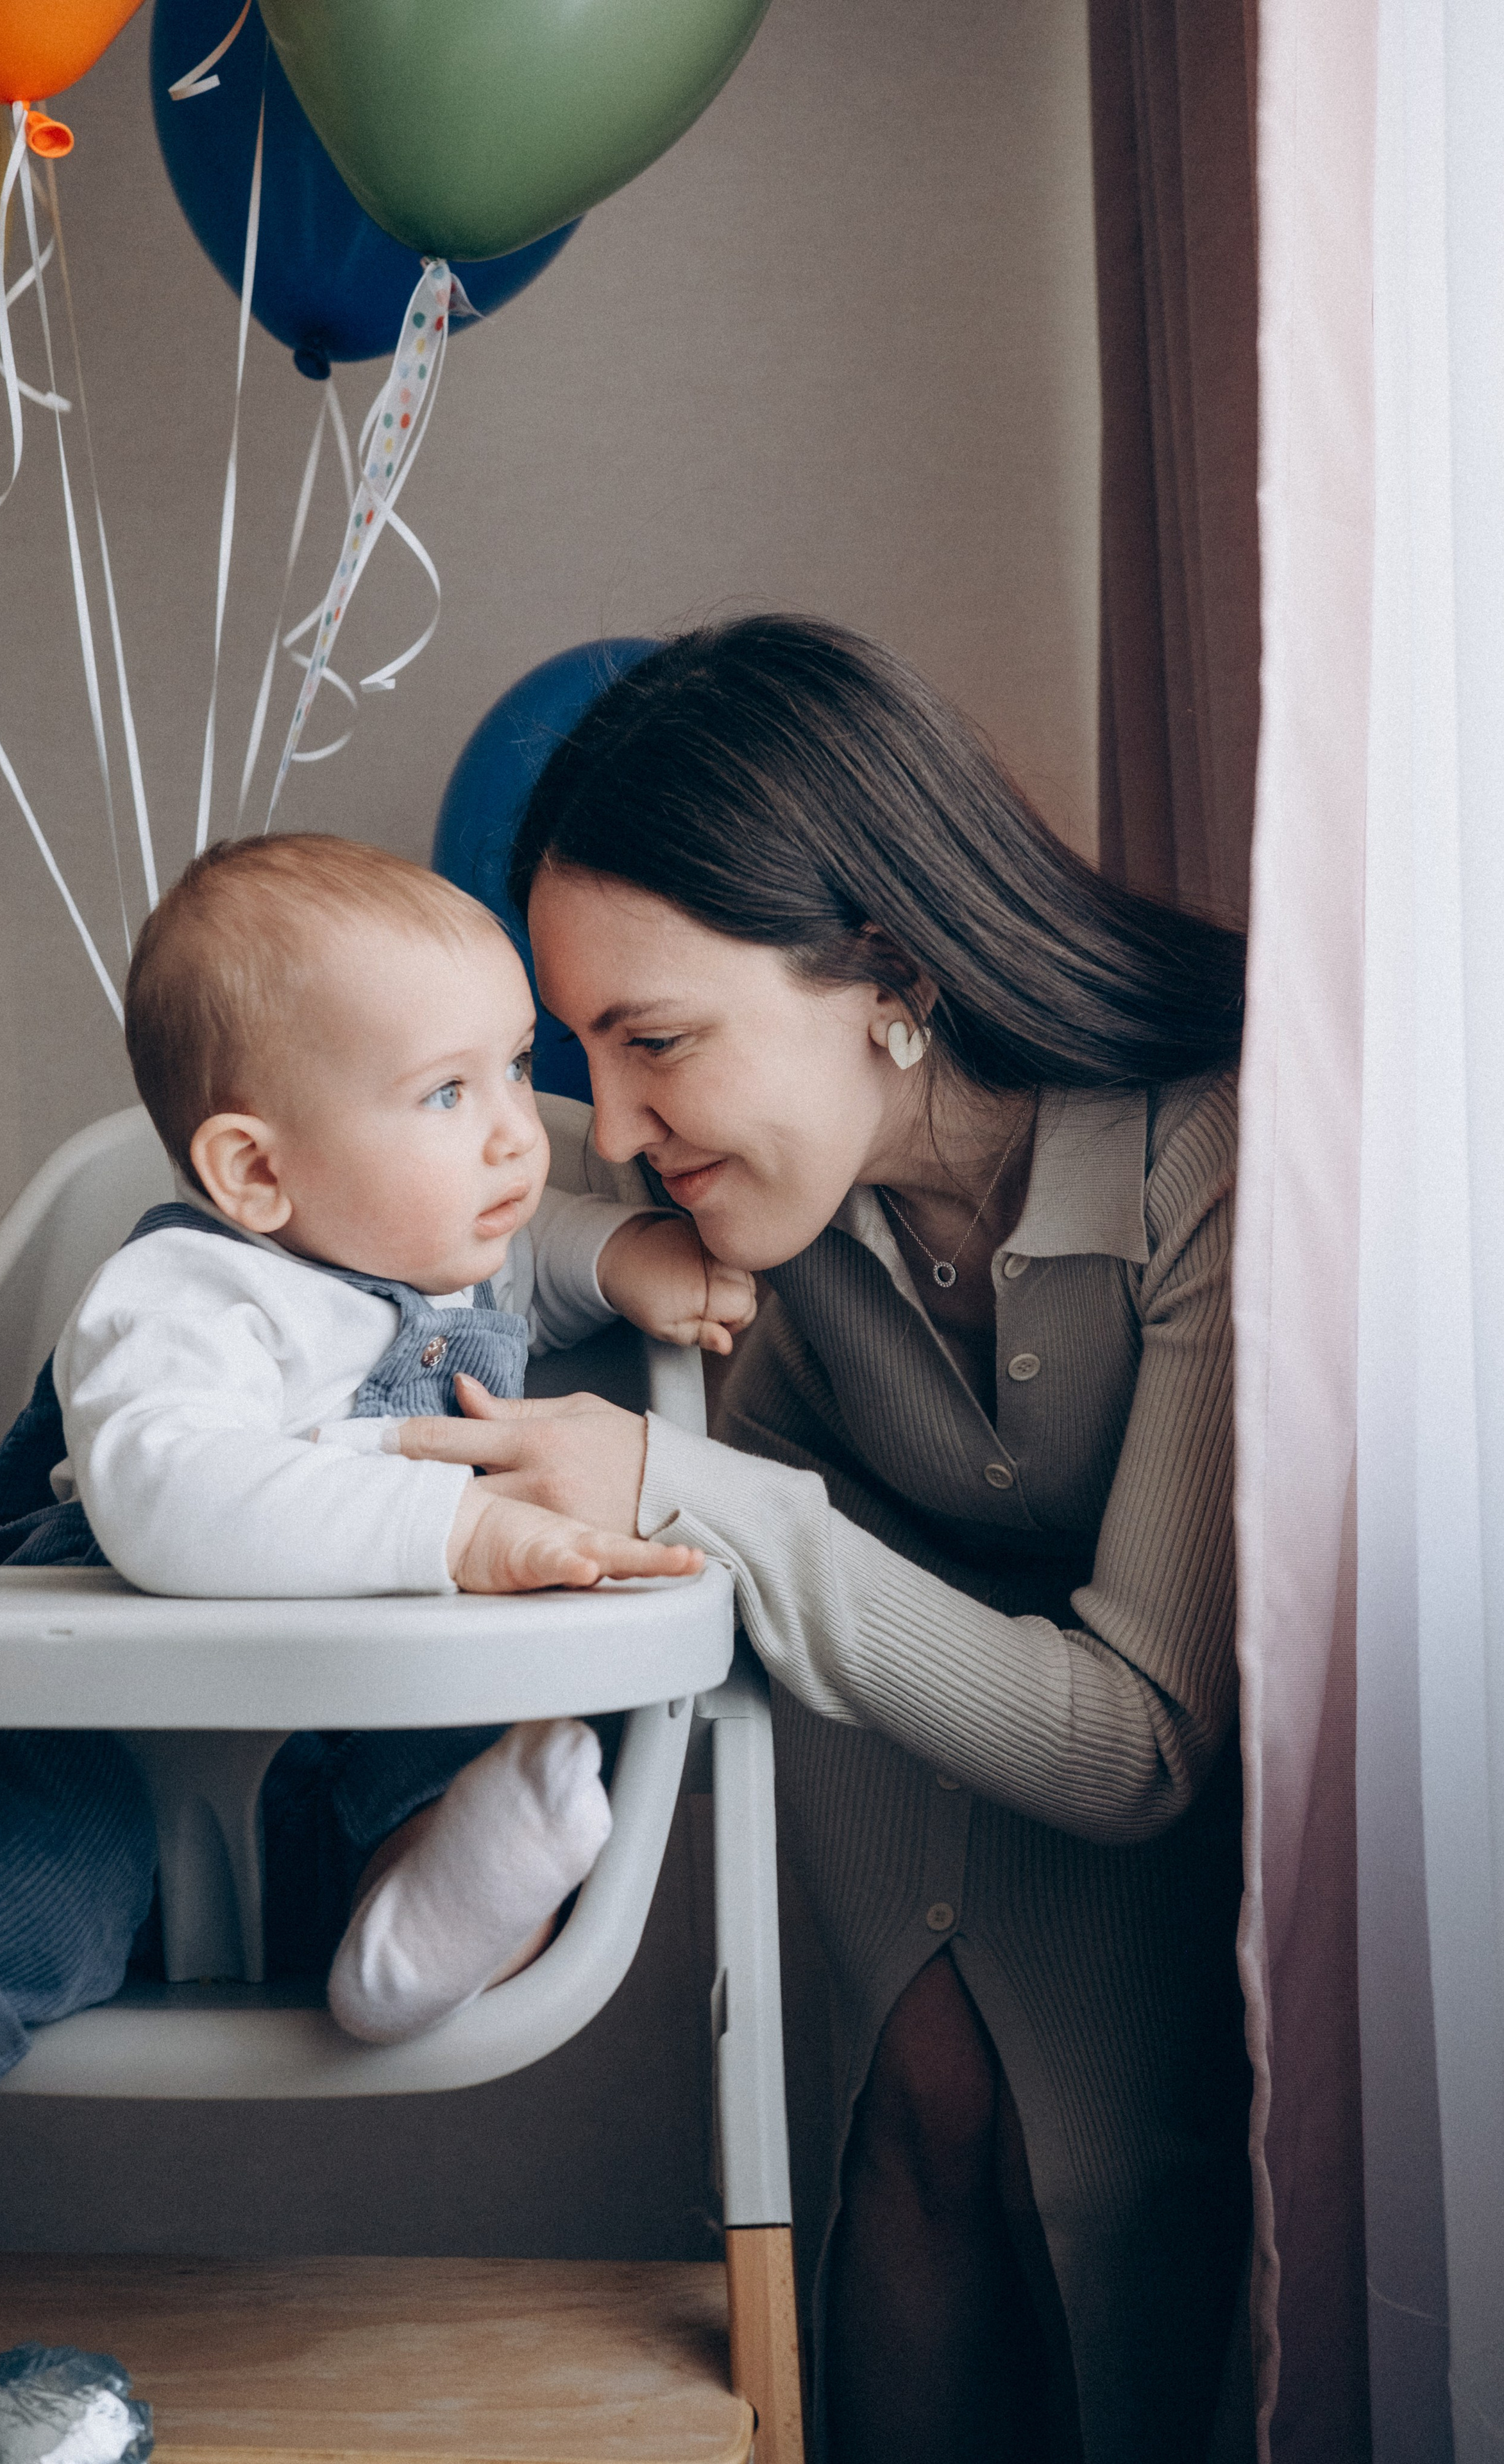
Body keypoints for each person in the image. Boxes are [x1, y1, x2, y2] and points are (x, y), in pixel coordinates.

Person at [394, 618, 1251, 2464]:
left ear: (886, 968)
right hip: (871, 1669)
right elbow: (467, 1234)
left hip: (1115, 1734)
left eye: (656, 1043)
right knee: (904, 2129)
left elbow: (1150, 1745)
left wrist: (687, 1490)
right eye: (584, 1054)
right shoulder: (751, 1196)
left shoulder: (1206, 1146)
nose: (611, 1124)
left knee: (1103, 2193)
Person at [0, 837, 744, 2128]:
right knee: (23, 1900)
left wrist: (613, 1258)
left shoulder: (433, 1249)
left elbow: (512, 1250)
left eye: (513, 1065)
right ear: (255, 1174)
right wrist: (453, 1530)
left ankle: (415, 1926)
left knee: (465, 1763)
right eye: (449, 1094)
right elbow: (173, 1496)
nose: (518, 1131)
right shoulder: (187, 1298)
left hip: (334, 1746)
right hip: (92, 1743)